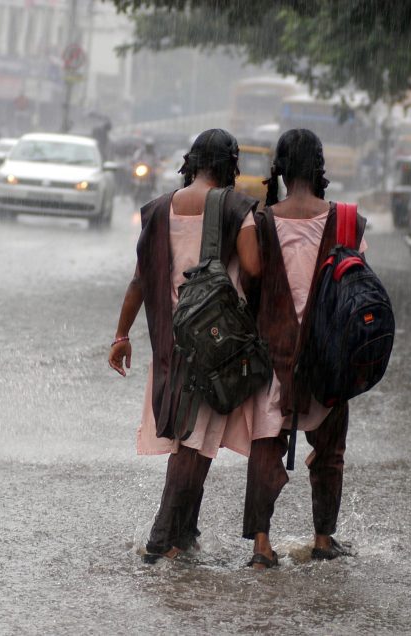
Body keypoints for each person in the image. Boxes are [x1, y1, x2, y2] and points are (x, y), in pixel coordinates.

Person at [108, 129, 261, 563]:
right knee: (193, 444)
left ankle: (185, 534)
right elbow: (253, 267)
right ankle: (161, 542)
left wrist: (121, 336)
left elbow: (140, 279)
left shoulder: (158, 209)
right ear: (231, 165)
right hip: (215, 342)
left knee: (195, 439)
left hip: (171, 341)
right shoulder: (236, 207)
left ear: (191, 163)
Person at [243, 128, 368, 569]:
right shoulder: (348, 221)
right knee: (330, 451)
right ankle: (322, 539)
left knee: (265, 445)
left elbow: (248, 285)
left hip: (271, 354)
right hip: (328, 357)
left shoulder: (260, 221)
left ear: (278, 167)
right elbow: (359, 289)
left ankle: (261, 545)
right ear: (320, 168)